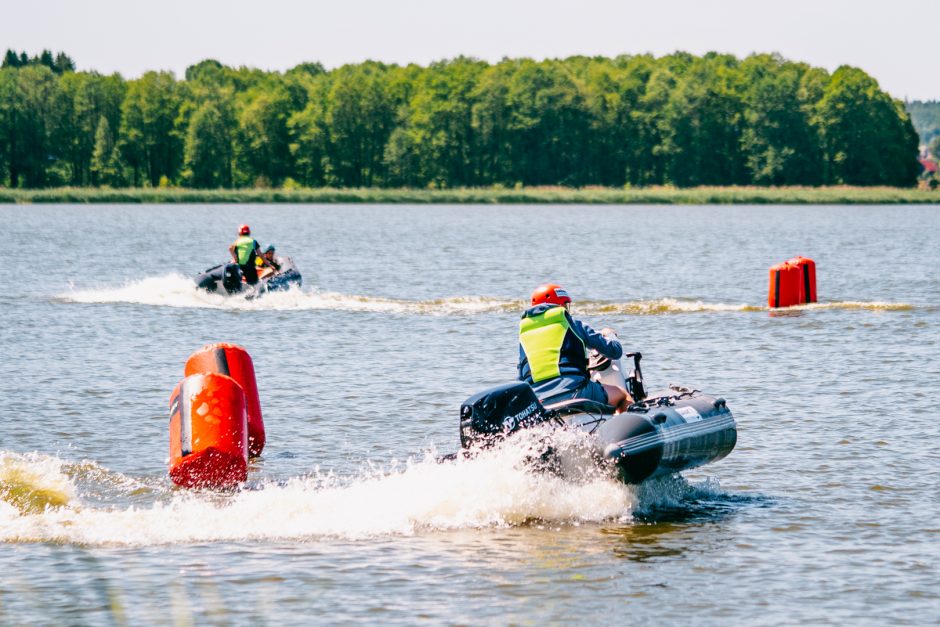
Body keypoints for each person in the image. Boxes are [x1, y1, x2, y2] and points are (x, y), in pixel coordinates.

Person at [518, 284, 632, 413]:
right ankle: (629, 429)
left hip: (540, 403)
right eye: (566, 305)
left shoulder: (524, 336)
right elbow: (615, 351)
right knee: (622, 395)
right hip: (576, 392)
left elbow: (522, 378)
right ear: (560, 305)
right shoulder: (573, 324)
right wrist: (610, 334)